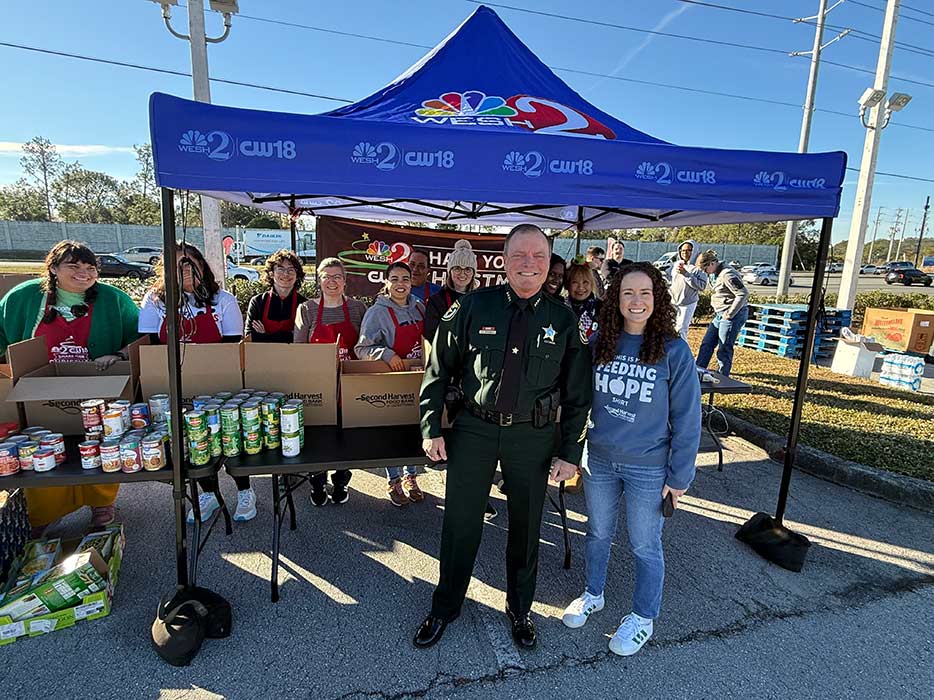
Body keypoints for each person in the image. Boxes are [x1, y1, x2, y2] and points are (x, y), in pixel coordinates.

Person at [415, 224, 592, 651]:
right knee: (460, 523)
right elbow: (438, 368)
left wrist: (570, 452)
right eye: (519, 255)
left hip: (533, 437)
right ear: (504, 259)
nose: (529, 264)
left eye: (538, 256)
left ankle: (520, 608)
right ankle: (445, 606)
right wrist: (430, 427)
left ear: (549, 263)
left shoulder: (563, 320)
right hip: (474, 430)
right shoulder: (474, 307)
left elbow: (579, 395)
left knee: (527, 528)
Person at [561, 262, 700, 657]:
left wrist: (680, 477)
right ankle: (593, 593)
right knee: (598, 534)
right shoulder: (601, 342)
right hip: (600, 460)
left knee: (645, 545)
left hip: (649, 467)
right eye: (627, 293)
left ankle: (643, 616)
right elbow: (577, 396)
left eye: (644, 294)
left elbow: (689, 419)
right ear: (615, 299)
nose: (636, 301)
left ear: (657, 299)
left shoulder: (674, 351)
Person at [0, 240, 140, 534]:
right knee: (42, 448)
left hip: (97, 387)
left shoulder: (114, 300)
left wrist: (116, 355)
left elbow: (139, 340)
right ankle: (44, 513)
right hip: (37, 391)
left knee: (100, 443)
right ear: (53, 268)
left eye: (90, 268)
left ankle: (102, 505)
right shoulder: (21, 298)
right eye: (73, 266)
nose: (83, 273)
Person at [139, 243, 256, 523]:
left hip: (218, 381)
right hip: (176, 383)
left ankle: (245, 490)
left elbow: (231, 345)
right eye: (178, 264)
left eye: (191, 263)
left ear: (202, 266)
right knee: (194, 443)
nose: (186, 270)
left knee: (232, 436)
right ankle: (209, 494)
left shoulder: (223, 300)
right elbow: (150, 344)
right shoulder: (155, 301)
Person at [294, 257, 367, 506]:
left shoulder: (358, 308)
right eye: (327, 276)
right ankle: (316, 482)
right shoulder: (306, 309)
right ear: (319, 280)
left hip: (350, 383)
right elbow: (298, 349)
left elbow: (366, 346)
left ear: (345, 281)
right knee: (318, 437)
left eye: (337, 276)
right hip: (317, 384)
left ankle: (341, 481)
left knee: (346, 438)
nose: (332, 281)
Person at [355, 261, 426, 506]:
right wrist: (388, 355)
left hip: (416, 377)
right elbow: (361, 348)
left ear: (411, 281)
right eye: (394, 279)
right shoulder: (377, 312)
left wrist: (424, 358)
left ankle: (411, 476)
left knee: (413, 428)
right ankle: (394, 480)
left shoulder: (419, 307)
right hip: (390, 380)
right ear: (386, 282)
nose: (400, 284)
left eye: (405, 279)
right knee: (393, 432)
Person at [695, 250, 749, 377]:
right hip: (719, 314)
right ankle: (697, 371)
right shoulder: (714, 274)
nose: (704, 272)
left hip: (732, 314)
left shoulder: (728, 274)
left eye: (704, 268)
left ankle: (723, 377)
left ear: (712, 263)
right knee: (707, 344)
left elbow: (743, 293)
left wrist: (730, 313)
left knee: (724, 347)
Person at [244, 249, 307, 343]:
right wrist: (288, 335)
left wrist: (264, 336)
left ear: (297, 275)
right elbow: (249, 337)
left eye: (291, 269)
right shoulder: (258, 302)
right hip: (263, 355)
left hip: (294, 356)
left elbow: (303, 338)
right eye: (281, 269)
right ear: (271, 273)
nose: (286, 274)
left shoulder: (304, 304)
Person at [423, 240, 477, 343]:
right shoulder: (437, 301)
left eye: (468, 269)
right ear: (449, 271)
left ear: (473, 273)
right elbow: (430, 335)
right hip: (445, 356)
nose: (462, 274)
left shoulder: (480, 300)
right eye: (457, 268)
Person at [668, 240, 708, 341]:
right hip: (673, 301)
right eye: (682, 250)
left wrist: (686, 274)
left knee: (681, 329)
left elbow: (702, 286)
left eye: (689, 250)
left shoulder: (699, 267)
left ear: (694, 251)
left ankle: (682, 353)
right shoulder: (677, 264)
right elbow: (670, 278)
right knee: (669, 327)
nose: (685, 253)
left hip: (688, 303)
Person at [565, 259, 602, 342]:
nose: (580, 287)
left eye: (585, 282)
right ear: (567, 285)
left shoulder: (602, 308)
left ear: (591, 284)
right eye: (575, 282)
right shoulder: (560, 307)